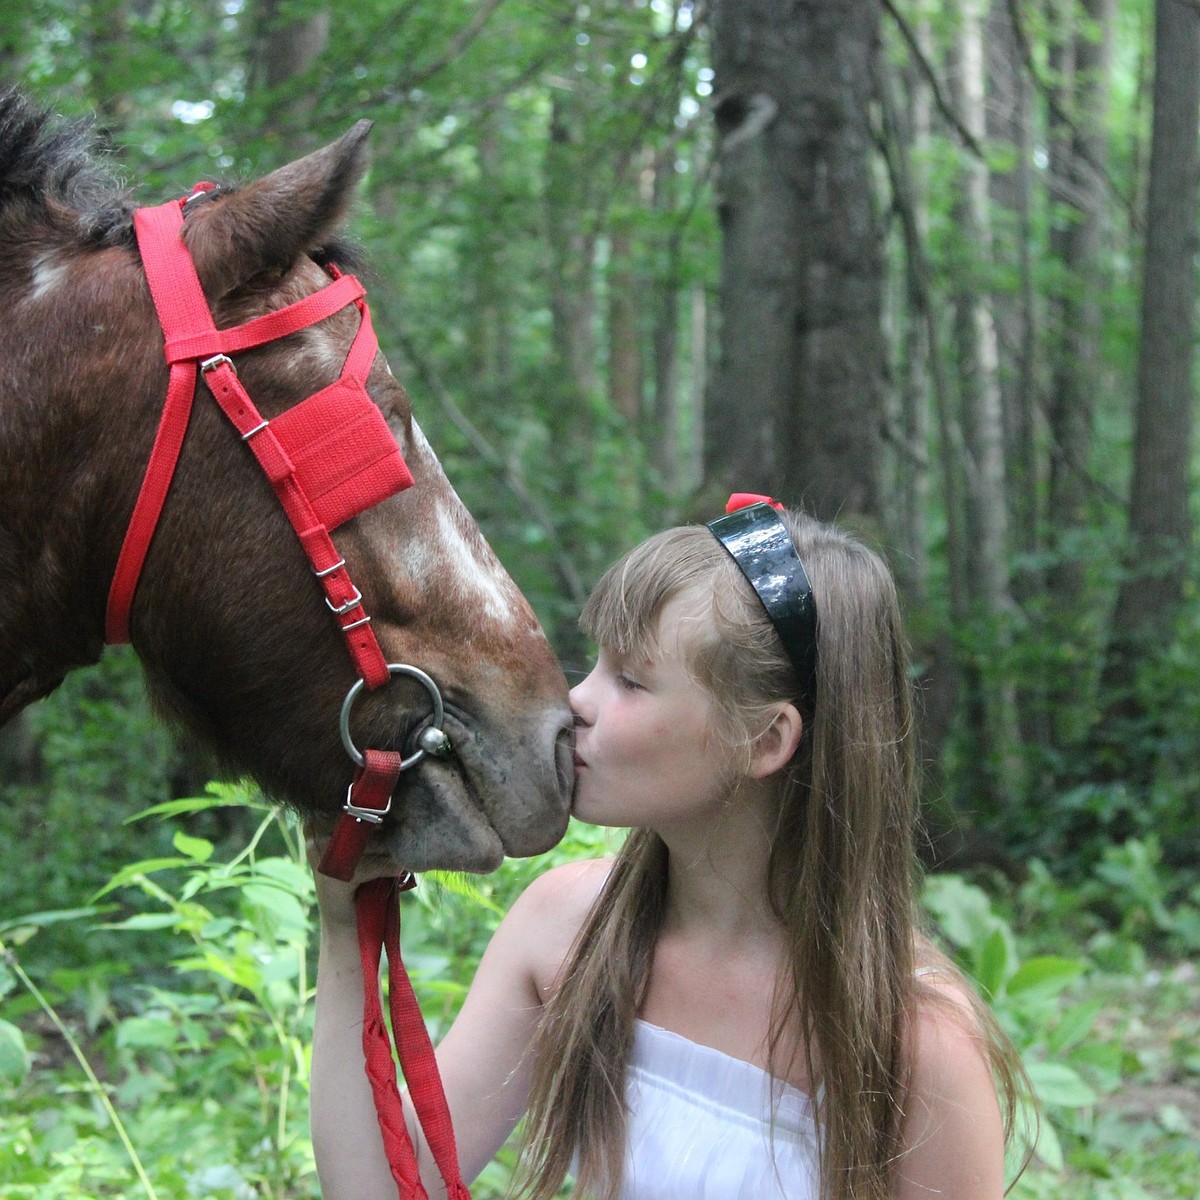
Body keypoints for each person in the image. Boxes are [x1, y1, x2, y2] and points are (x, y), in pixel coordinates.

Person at [308, 496, 1028, 1200]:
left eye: (630, 680)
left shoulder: (919, 1043)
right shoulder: (566, 931)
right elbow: (384, 1187)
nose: (574, 702)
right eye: (593, 664)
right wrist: (346, 928)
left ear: (765, 740)